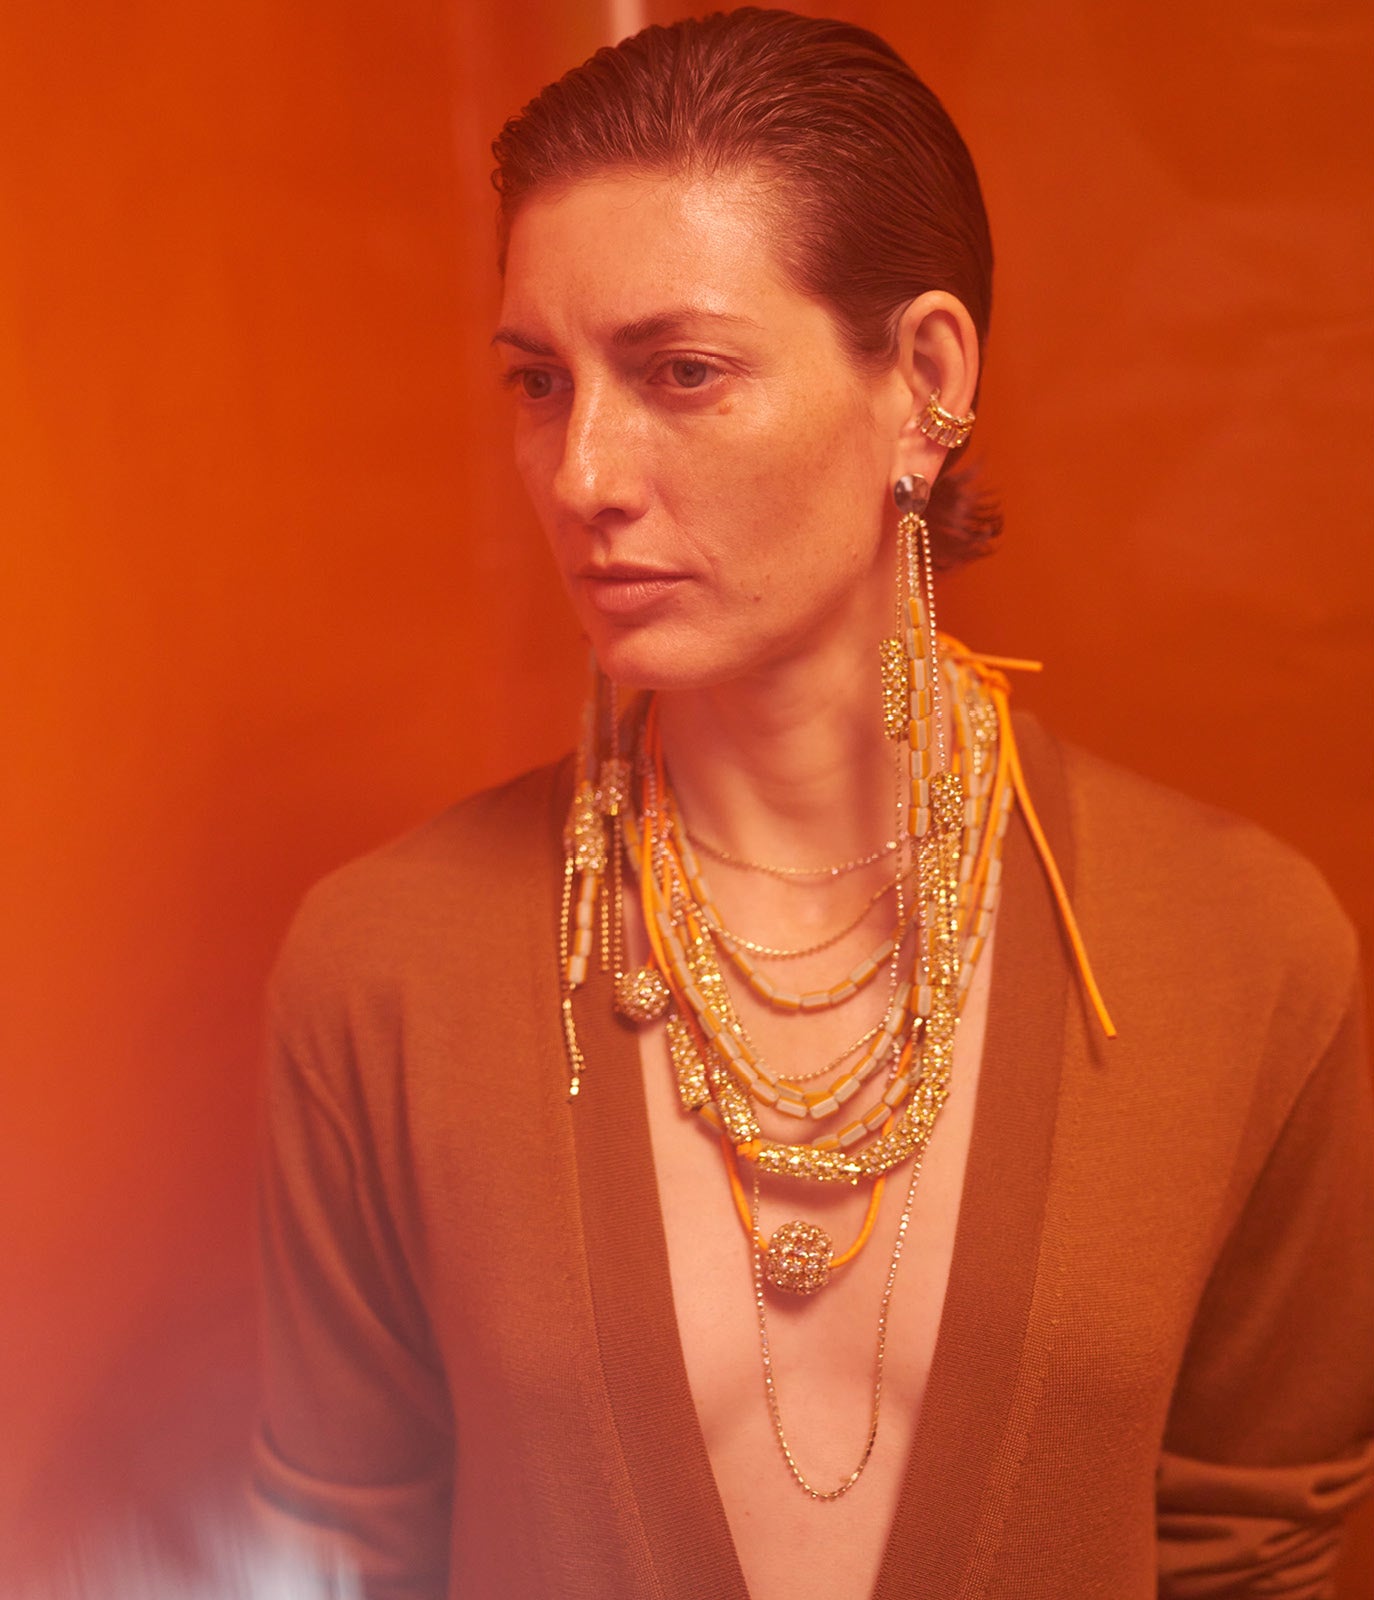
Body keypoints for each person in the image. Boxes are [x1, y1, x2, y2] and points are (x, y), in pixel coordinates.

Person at [251, 10, 1374, 1598]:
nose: (581, 474)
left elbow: (1253, 1550)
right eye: (539, 382)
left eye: (681, 371)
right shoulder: (390, 969)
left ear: (922, 384)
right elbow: (341, 1554)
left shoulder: (1231, 950)